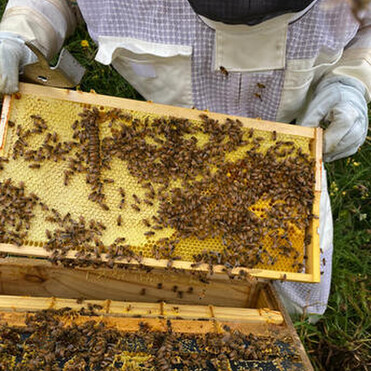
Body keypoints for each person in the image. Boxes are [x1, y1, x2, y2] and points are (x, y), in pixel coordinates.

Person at [0, 0, 369, 320]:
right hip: (151, 164)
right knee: (114, 281)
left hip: (279, 166)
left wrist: (352, 81)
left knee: (291, 301)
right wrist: (21, 32)